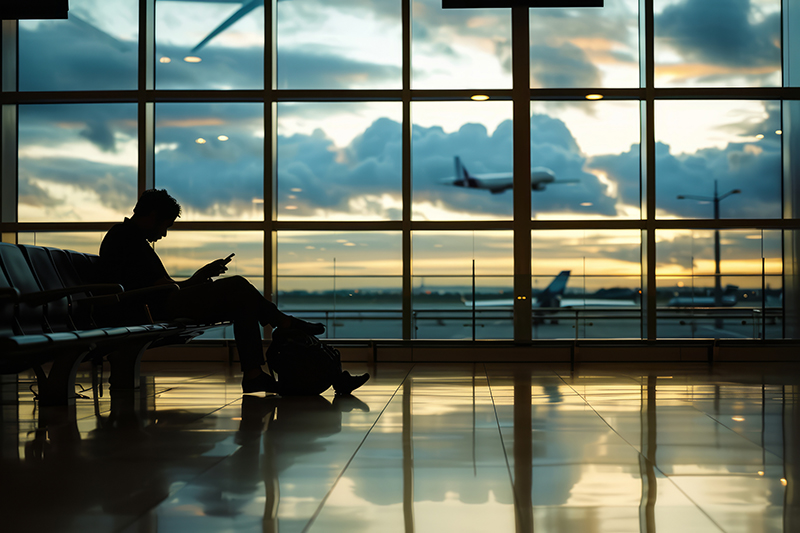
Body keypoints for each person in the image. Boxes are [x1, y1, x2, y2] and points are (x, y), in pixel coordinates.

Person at [99, 189, 369, 395]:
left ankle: (256, 373)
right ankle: (282, 325)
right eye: (165, 225)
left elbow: (161, 286)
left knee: (244, 305)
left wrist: (198, 278)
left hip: (156, 303)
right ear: (153, 216)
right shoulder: (126, 238)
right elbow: (159, 289)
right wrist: (195, 281)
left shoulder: (127, 238)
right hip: (148, 308)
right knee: (238, 285)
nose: (164, 234)